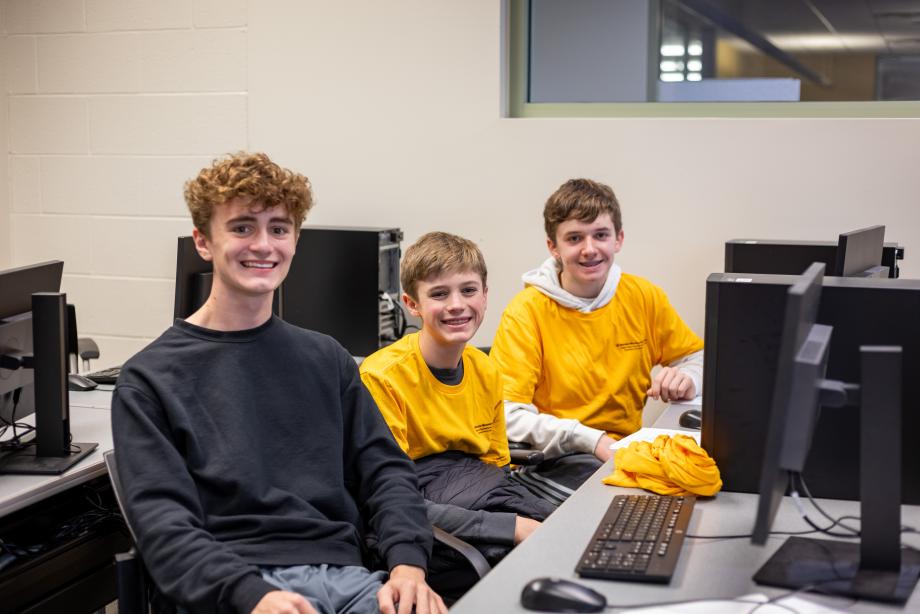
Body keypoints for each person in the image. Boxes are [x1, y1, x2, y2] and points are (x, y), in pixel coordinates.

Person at [111, 152, 446, 614]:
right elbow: (164, 525)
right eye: (243, 227)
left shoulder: (326, 358)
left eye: (279, 228)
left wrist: (409, 565)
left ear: (295, 240)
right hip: (233, 587)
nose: (264, 245)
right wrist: (252, 597)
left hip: (346, 579)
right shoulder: (149, 380)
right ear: (203, 241)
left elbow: (386, 472)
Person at [490, 178, 704, 501]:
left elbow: (701, 359)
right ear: (553, 247)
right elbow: (506, 415)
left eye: (600, 235)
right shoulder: (526, 312)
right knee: (640, 509)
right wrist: (588, 439)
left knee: (699, 488)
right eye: (574, 238)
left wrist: (688, 378)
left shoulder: (643, 297)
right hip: (554, 460)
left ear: (618, 239)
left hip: (622, 453)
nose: (589, 249)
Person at [359, 232, 554, 565]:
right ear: (412, 304)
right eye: (439, 294)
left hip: (478, 492)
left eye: (468, 290)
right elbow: (392, 498)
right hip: (416, 512)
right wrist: (510, 527)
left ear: (485, 295)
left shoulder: (486, 368)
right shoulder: (382, 376)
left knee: (562, 533)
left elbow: (497, 468)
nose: (456, 305)